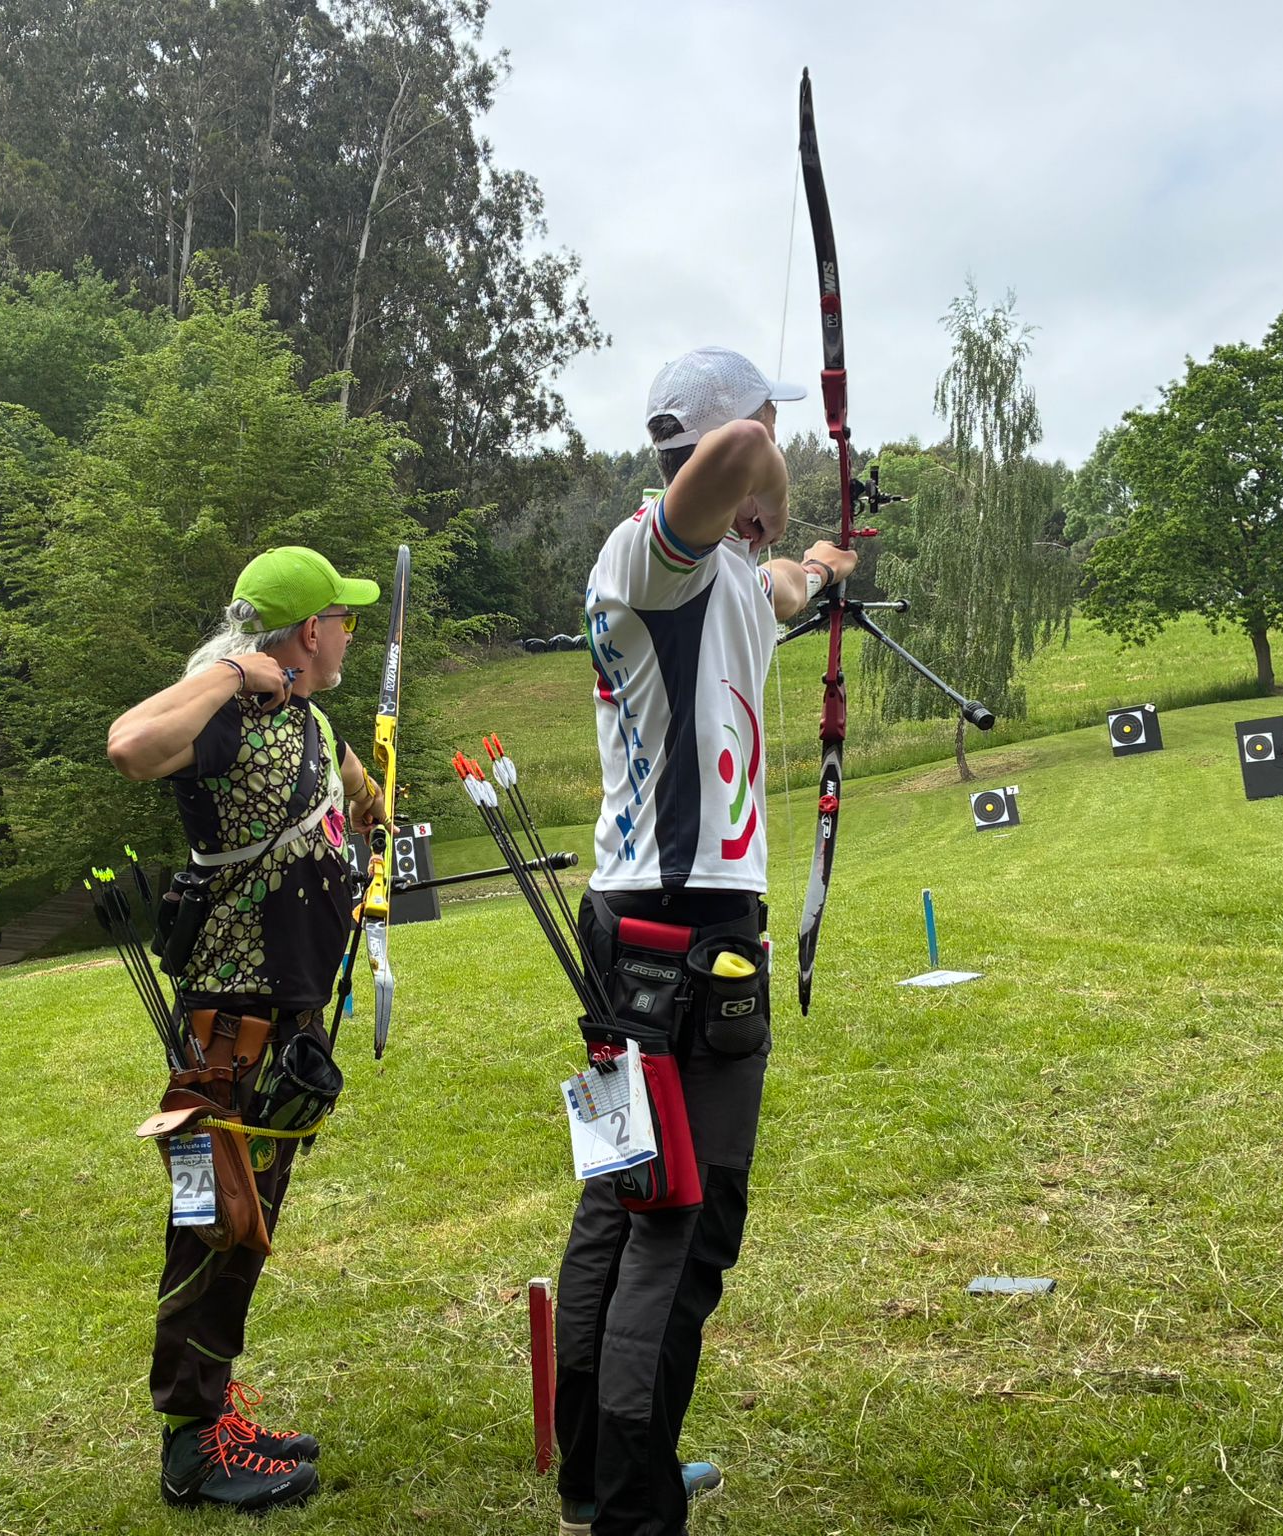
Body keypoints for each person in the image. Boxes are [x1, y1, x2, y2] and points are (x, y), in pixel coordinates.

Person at [556, 346, 857, 1536]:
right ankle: (632, 1511)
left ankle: (593, 1483)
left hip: (645, 918)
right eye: (770, 425)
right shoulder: (647, 554)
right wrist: (762, 470)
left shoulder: (714, 572)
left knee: (621, 1196)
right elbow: (734, 457)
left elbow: (775, 588)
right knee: (679, 1221)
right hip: (682, 930)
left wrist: (813, 564)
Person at [106, 545, 390, 1514]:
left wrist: (368, 798)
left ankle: (213, 1411)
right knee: (214, 1223)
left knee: (246, 1225)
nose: (349, 632)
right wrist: (233, 670)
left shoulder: (308, 716)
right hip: (230, 1032)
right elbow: (127, 746)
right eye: (342, 618)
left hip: (285, 1020)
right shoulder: (223, 711)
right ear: (309, 630)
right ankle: (190, 1446)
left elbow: (345, 786)